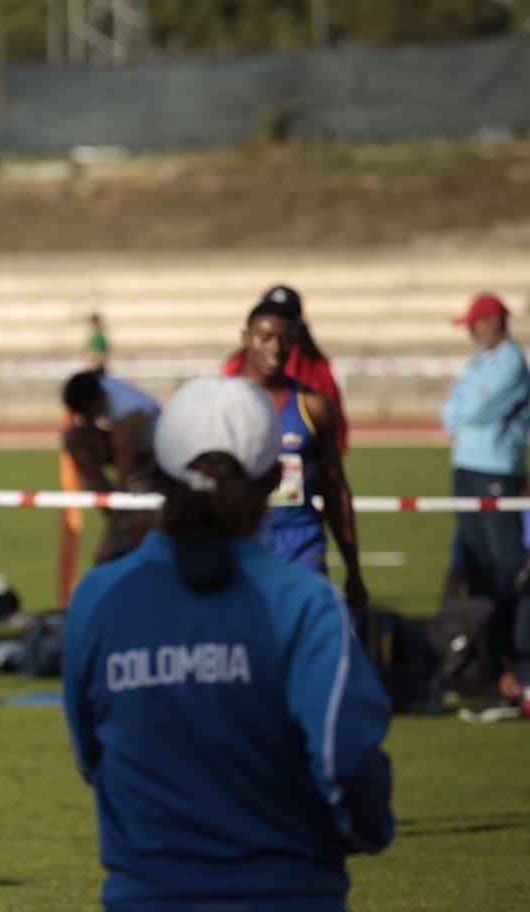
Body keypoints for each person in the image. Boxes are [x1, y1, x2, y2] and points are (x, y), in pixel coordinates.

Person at [63, 375, 394, 912]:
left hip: (147, 893)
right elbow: (347, 762)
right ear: (271, 480)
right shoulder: (305, 601)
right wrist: (368, 831)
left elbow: (91, 759)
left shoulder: (97, 598)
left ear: (159, 475)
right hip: (290, 891)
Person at [237, 297, 368, 612]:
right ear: (246, 339)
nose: (275, 347)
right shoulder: (223, 404)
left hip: (300, 543)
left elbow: (335, 488)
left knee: (306, 642)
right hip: (242, 542)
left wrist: (354, 571)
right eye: (265, 337)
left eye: (285, 339)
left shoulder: (314, 407)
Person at [440, 292, 530, 716]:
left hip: (495, 469)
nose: (471, 332)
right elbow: (452, 409)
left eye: (475, 324)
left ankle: (519, 660)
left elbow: (473, 407)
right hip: (466, 467)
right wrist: (461, 412)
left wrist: (462, 412)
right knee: (476, 566)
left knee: (510, 566)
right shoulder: (479, 364)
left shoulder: (511, 364)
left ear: (492, 321)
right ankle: (490, 666)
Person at [224, 284, 350, 453]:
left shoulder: (317, 368)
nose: (275, 346)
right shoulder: (237, 364)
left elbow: (332, 430)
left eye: (285, 317)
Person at [59, 370, 160, 565]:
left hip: (155, 459)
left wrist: (108, 539)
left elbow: (124, 481)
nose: (87, 419)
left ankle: (130, 536)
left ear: (99, 401)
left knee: (139, 520)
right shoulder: (97, 387)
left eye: (88, 414)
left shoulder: (126, 417)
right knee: (74, 437)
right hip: (132, 451)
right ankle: (116, 513)